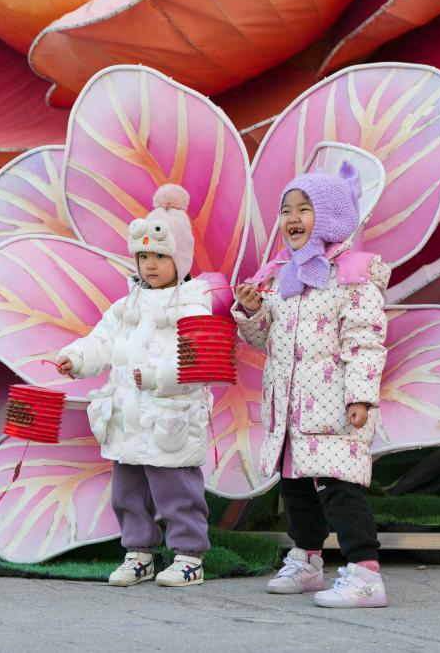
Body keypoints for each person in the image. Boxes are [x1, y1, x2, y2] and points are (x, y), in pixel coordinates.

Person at [232, 162, 389, 608]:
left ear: (334, 216)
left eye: (305, 208)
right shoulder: (283, 275)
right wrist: (252, 313)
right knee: (296, 489)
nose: (292, 218)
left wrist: (360, 395)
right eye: (286, 210)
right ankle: (307, 561)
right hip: (291, 410)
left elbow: (365, 340)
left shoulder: (353, 277)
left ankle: (365, 575)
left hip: (334, 404)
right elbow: (268, 340)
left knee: (339, 488)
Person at [54, 184, 213, 587]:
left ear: (180, 258)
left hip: (169, 418)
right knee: (128, 491)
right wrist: (76, 358)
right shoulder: (126, 306)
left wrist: (158, 378)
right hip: (127, 417)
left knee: (177, 491)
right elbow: (101, 341)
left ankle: (189, 555)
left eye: (160, 256)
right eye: (144, 257)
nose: (151, 265)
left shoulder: (194, 305)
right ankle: (139, 552)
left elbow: (199, 364)